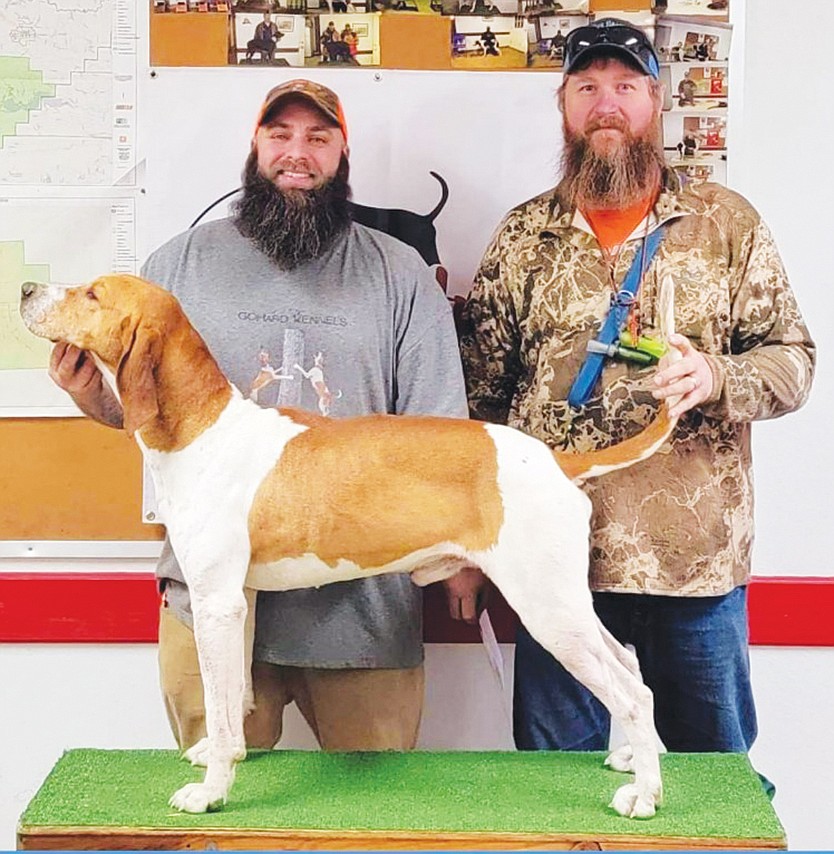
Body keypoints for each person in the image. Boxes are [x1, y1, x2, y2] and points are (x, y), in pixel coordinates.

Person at [49, 78, 482, 754]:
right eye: (279, 134)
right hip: (208, 603)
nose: (296, 154)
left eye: (318, 137)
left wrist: (466, 550)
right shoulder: (176, 268)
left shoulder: (400, 274)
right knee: (218, 807)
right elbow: (152, 416)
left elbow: (439, 433)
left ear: (343, 153)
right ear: (255, 146)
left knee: (370, 823)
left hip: (363, 609)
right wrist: (90, 397)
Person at [460, 18, 815, 776]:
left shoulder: (726, 224)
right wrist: (468, 545)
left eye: (624, 86)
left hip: (695, 569)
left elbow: (794, 362)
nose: (606, 104)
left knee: (710, 777)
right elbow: (478, 403)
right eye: (587, 87)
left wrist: (718, 377)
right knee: (562, 784)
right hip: (553, 565)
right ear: (564, 105)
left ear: (656, 100)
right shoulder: (523, 237)